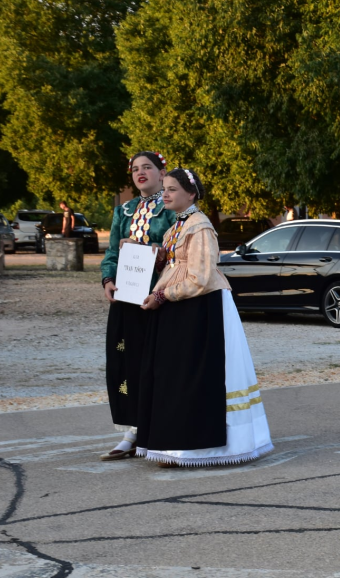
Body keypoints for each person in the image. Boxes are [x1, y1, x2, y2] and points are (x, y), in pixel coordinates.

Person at [136, 168, 273, 466]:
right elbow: (176, 267)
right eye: (165, 189)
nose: (166, 194)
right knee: (175, 375)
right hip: (180, 305)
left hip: (201, 308)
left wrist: (161, 295)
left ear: (191, 194)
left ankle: (200, 447)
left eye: (172, 189)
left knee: (195, 376)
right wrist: (154, 257)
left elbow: (201, 277)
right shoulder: (176, 227)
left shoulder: (200, 227)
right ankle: (174, 445)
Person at [98, 152, 178, 461]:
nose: (140, 173)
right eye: (135, 169)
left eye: (147, 167)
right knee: (128, 364)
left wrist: (147, 250)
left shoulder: (171, 208)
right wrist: (107, 278)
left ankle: (160, 429)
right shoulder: (124, 210)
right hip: (127, 297)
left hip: (159, 298)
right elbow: (112, 253)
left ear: (162, 172)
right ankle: (132, 431)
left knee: (157, 364)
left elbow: (176, 254)